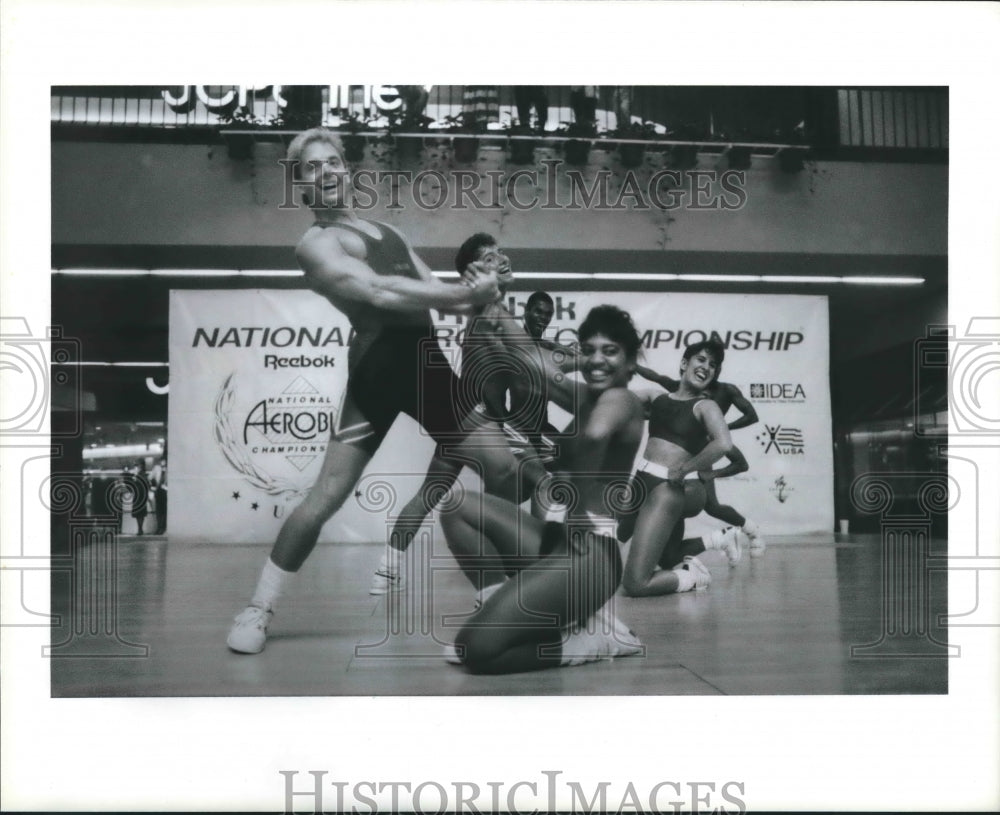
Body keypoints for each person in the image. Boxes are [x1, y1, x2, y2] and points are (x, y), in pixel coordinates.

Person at [226, 128, 501, 654]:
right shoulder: (315, 245)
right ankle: (258, 608)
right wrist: (465, 295)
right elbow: (379, 290)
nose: (325, 172)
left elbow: (442, 297)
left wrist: (478, 284)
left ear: (347, 170)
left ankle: (501, 593)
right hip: (379, 368)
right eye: (312, 168)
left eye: (333, 162)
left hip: (425, 364)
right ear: (300, 185)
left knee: (506, 465)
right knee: (324, 498)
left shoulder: (387, 230)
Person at [440, 305, 645, 674]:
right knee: (457, 506)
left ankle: (597, 640)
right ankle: (495, 605)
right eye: (589, 349)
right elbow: (530, 359)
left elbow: (597, 433)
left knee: (475, 650)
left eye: (610, 351)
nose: (596, 359)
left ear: (631, 363)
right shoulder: (588, 397)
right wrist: (490, 307)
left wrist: (578, 505)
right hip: (559, 542)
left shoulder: (623, 400)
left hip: (591, 556)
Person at [619, 339, 751, 598]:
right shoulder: (656, 397)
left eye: (713, 365)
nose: (707, 367)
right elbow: (619, 404)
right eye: (701, 360)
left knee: (635, 583)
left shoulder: (706, 406)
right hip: (641, 483)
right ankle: (720, 539)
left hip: (671, 489)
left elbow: (723, 444)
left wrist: (686, 468)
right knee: (661, 556)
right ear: (684, 364)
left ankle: (694, 576)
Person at [632, 358, 766, 555]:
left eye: (713, 364)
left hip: (700, 455)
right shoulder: (678, 389)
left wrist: (722, 429)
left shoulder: (726, 392)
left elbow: (742, 460)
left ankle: (752, 531)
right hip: (668, 473)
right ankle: (685, 552)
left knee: (712, 507)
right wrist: (631, 365)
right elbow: (655, 376)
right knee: (666, 526)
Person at [130, 462, 151, 536]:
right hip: (141, 497)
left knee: (139, 514)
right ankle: (140, 529)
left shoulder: (138, 476)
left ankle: (140, 529)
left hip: (138, 497)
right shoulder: (143, 475)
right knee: (140, 515)